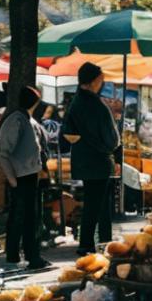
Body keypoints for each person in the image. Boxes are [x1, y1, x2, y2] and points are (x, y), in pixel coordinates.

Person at [61, 61, 120, 254]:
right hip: (99, 161)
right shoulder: (97, 105)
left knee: (95, 204)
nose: (102, 83)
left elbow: (67, 132)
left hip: (83, 161)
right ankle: (88, 244)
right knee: (98, 206)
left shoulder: (75, 102)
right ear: (94, 80)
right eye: (101, 79)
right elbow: (112, 140)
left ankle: (101, 242)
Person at [0, 85, 48, 271]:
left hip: (29, 176)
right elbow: (4, 153)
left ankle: (29, 255)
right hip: (20, 176)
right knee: (20, 217)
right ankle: (19, 255)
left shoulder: (27, 119)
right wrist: (12, 179)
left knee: (30, 218)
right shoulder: (16, 120)